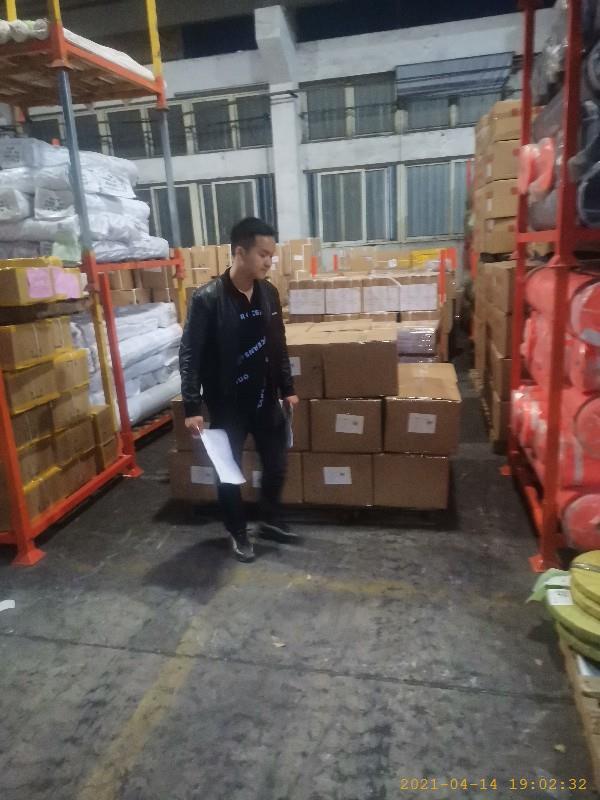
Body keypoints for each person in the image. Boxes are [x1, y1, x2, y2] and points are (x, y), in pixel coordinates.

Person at [179, 217, 299, 563]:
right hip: (228, 404)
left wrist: (287, 386)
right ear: (240, 252)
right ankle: (238, 531)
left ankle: (270, 518)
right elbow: (190, 354)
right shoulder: (207, 299)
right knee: (229, 473)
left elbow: (278, 345)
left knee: (276, 464)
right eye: (263, 254)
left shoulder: (268, 294)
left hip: (265, 398)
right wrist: (192, 406)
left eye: (272, 255)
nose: (269, 261)